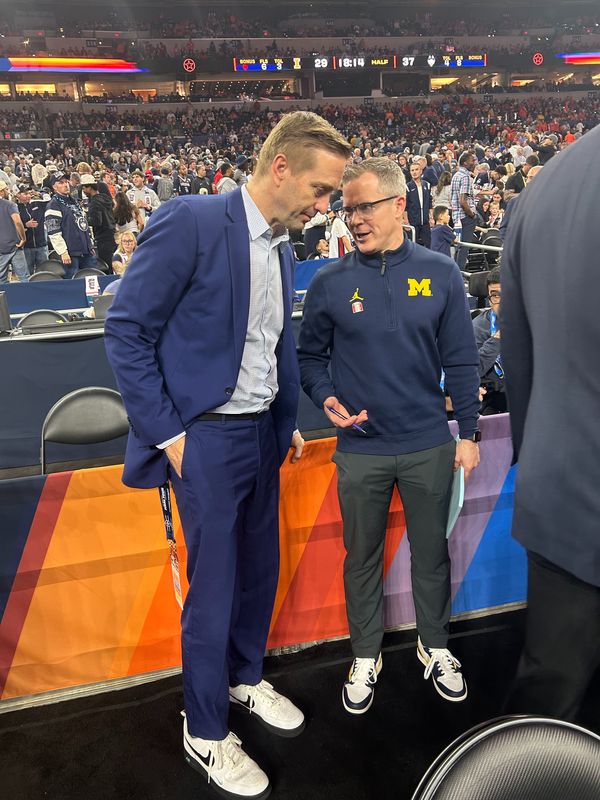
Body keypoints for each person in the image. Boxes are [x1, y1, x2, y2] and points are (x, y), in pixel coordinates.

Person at [104, 111, 352, 800]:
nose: (325, 206)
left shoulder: (281, 244)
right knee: (212, 594)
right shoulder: (189, 221)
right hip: (204, 441)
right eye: (321, 189)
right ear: (280, 169)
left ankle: (244, 679)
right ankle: (205, 732)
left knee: (255, 576)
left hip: (262, 437)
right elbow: (125, 330)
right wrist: (171, 435)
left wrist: (283, 416)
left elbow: (266, 342)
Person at [298, 158, 480, 715]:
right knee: (362, 558)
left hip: (429, 443)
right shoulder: (330, 281)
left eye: (364, 207)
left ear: (400, 206)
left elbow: (462, 359)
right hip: (361, 451)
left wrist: (468, 432)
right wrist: (327, 399)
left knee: (432, 554)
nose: (352, 218)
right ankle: (365, 654)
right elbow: (309, 358)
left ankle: (435, 647)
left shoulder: (442, 273)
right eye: (347, 209)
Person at [502, 124, 600, 723]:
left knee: (547, 709)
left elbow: (520, 360)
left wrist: (534, 453)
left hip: (560, 493)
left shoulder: (548, 183)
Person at [44, 171, 96, 279]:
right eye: (61, 183)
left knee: (92, 282)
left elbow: (83, 224)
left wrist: (89, 244)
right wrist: (63, 252)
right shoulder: (53, 205)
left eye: (66, 181)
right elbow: (53, 232)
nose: (65, 185)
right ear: (54, 186)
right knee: (73, 283)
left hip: (85, 250)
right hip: (70, 253)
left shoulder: (74, 201)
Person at [472, 267, 505, 414]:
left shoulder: (535, 321)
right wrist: (497, 339)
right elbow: (473, 370)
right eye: (495, 295)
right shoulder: (478, 327)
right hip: (495, 397)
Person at [12, 183, 49, 276]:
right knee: (28, 274)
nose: (28, 195)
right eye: (25, 193)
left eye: (29, 193)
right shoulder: (13, 208)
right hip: (26, 247)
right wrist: (25, 225)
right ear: (17, 195)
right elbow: (11, 227)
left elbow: (50, 200)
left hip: (41, 245)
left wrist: (42, 191)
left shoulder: (37, 203)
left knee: (44, 273)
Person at [81, 174, 117, 268]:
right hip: (111, 233)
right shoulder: (105, 198)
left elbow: (96, 221)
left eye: (84, 188)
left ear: (90, 188)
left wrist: (85, 220)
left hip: (103, 237)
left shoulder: (94, 202)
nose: (83, 191)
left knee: (107, 264)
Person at [450, 152, 477, 269]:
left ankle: (455, 274)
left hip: (457, 217)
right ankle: (459, 276)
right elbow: (463, 201)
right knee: (464, 248)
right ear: (465, 163)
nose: (474, 162)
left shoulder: (456, 175)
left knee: (459, 247)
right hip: (465, 218)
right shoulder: (465, 177)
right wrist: (472, 214)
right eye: (472, 160)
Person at [0, 180, 26, 283]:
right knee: (23, 278)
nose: (8, 191)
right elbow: (18, 223)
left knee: (1, 281)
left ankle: (5, 299)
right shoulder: (10, 205)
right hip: (15, 246)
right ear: (1, 192)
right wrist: (23, 238)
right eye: (6, 189)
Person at [404, 159, 433, 248]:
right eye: (412, 170)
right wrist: (406, 221)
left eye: (416, 170)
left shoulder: (427, 185)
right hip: (413, 222)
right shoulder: (407, 187)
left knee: (429, 246)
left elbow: (429, 203)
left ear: (421, 171)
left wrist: (431, 218)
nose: (414, 172)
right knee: (413, 247)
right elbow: (404, 206)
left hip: (425, 222)